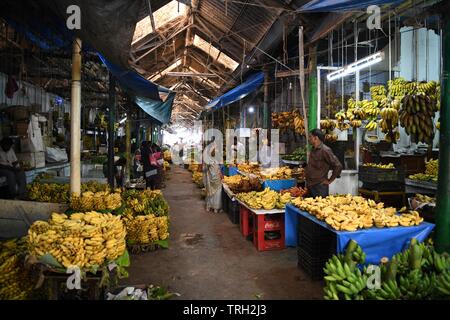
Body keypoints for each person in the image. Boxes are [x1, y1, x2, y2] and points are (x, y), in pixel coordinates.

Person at [305, 129, 343, 198]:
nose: (309, 139)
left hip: (319, 188)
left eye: (310, 137)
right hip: (310, 185)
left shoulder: (325, 150)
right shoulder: (313, 149)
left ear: (316, 138)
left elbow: (338, 166)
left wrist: (330, 180)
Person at [203, 138, 222, 213]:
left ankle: (209, 206)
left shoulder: (207, 150)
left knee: (210, 189)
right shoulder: (216, 149)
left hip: (210, 172)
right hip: (215, 170)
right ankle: (216, 208)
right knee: (218, 189)